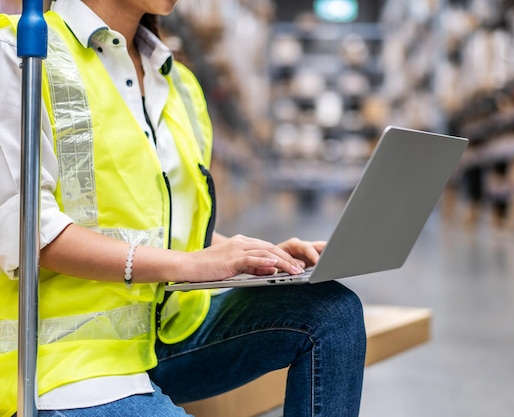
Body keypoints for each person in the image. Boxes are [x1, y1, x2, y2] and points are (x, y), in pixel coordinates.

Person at [0, 1, 366, 416]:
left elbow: (170, 223)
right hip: (69, 363)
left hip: (167, 336)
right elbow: (27, 231)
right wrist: (186, 265)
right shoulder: (20, 54)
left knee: (331, 312)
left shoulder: (178, 84)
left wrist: (252, 258)